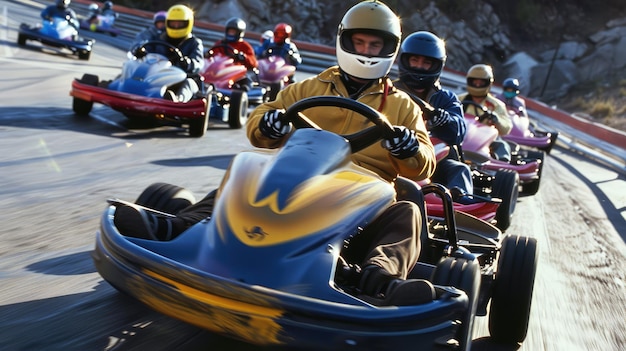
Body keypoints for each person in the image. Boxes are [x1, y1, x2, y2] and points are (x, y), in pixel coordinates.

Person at [114, 0, 437, 306]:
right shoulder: (309, 87)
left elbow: (425, 163)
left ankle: (380, 279)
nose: (366, 52)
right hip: (303, 176)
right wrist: (269, 124)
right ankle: (178, 229)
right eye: (360, 42)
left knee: (407, 211)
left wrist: (409, 148)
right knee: (248, 173)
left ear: (389, 49)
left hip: (362, 194)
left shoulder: (402, 105)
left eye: (374, 45)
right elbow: (260, 119)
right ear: (345, 41)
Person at [394, 31, 475, 203]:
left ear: (436, 66)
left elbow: (459, 131)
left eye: (426, 63)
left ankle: (459, 208)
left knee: (458, 169)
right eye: (414, 60)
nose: (419, 67)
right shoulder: (388, 91)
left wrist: (444, 120)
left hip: (434, 158)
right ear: (404, 60)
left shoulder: (445, 98)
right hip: (392, 151)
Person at [132, 4, 204, 103]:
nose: (176, 26)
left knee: (190, 83)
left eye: (180, 24)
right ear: (167, 23)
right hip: (159, 75)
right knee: (135, 69)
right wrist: (141, 52)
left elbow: (198, 63)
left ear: (188, 24)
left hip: (181, 78)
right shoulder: (160, 38)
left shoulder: (194, 43)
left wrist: (187, 62)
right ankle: (117, 85)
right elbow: (148, 51)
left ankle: (177, 100)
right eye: (173, 23)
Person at [457, 64, 512, 161]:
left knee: (501, 145)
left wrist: (497, 121)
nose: (477, 84)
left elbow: (506, 129)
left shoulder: (496, 105)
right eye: (475, 81)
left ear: (488, 83)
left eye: (481, 82)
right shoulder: (458, 99)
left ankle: (498, 164)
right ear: (469, 81)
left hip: (485, 139)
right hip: (459, 134)